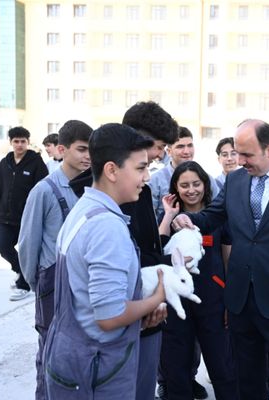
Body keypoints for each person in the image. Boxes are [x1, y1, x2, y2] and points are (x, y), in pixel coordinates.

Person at [173, 119, 269, 400]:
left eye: (246, 155)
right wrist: (187, 219)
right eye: (237, 153)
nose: (240, 161)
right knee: (248, 380)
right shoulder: (235, 180)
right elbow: (212, 216)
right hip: (241, 301)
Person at [43, 123, 167, 399]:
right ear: (111, 170)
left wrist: (138, 319)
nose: (146, 177)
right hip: (97, 369)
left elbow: (87, 301)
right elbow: (109, 317)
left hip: (74, 358)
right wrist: (155, 298)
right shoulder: (106, 227)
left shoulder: (84, 209)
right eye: (140, 168)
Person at [69, 101, 178, 400]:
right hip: (120, 330)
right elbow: (108, 311)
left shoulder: (108, 197)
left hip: (133, 319)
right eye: (158, 147)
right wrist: (154, 297)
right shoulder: (107, 213)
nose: (159, 157)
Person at [18, 120, 92, 400]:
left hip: (84, 284)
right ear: (62, 150)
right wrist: (38, 285)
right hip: (52, 286)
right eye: (81, 149)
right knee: (51, 354)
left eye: (91, 150)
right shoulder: (44, 190)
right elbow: (28, 244)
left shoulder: (93, 188)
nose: (88, 156)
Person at [158, 161, 238, 400]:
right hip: (177, 305)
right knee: (176, 368)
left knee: (222, 366)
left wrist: (230, 300)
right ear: (176, 188)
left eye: (196, 184)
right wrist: (169, 216)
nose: (191, 190)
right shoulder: (169, 218)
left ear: (205, 184)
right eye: (184, 185)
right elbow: (158, 254)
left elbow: (229, 260)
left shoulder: (219, 217)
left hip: (213, 300)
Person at [0, 126, 48, 301]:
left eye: (23, 141)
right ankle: (22, 273)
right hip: (5, 217)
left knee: (26, 252)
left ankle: (24, 285)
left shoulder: (36, 163)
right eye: (16, 141)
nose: (19, 145)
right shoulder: (3, 164)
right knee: (1, 245)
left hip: (27, 218)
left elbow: (44, 190)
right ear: (11, 143)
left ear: (28, 142)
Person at [149, 126, 220, 221]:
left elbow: (217, 211)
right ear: (169, 151)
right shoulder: (155, 180)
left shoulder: (208, 178)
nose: (187, 151)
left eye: (190, 145)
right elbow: (150, 218)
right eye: (180, 146)